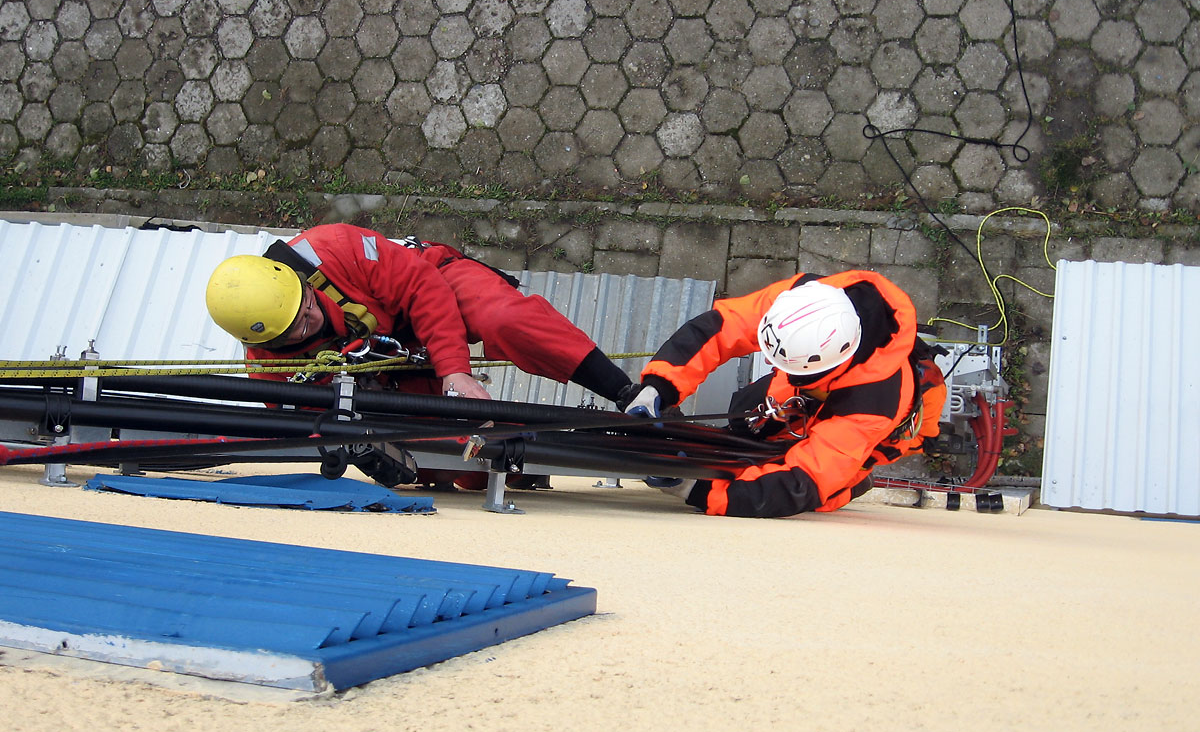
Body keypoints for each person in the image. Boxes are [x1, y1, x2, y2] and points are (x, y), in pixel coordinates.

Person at [205, 223, 636, 487]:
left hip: (433, 281)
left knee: (503, 318)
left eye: (308, 304)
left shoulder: (332, 247)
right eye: (298, 327)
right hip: (393, 361)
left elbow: (422, 288)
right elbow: (311, 423)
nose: (311, 319)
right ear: (268, 342)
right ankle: (532, 464)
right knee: (445, 461)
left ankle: (624, 392)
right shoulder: (271, 369)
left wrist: (454, 371)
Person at [624, 270, 947, 518]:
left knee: (820, 489)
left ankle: (854, 484)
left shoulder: (874, 404)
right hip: (821, 388)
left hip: (877, 433)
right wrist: (659, 387)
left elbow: (805, 480)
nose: (767, 363)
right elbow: (723, 327)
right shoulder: (803, 300)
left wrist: (699, 491)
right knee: (750, 416)